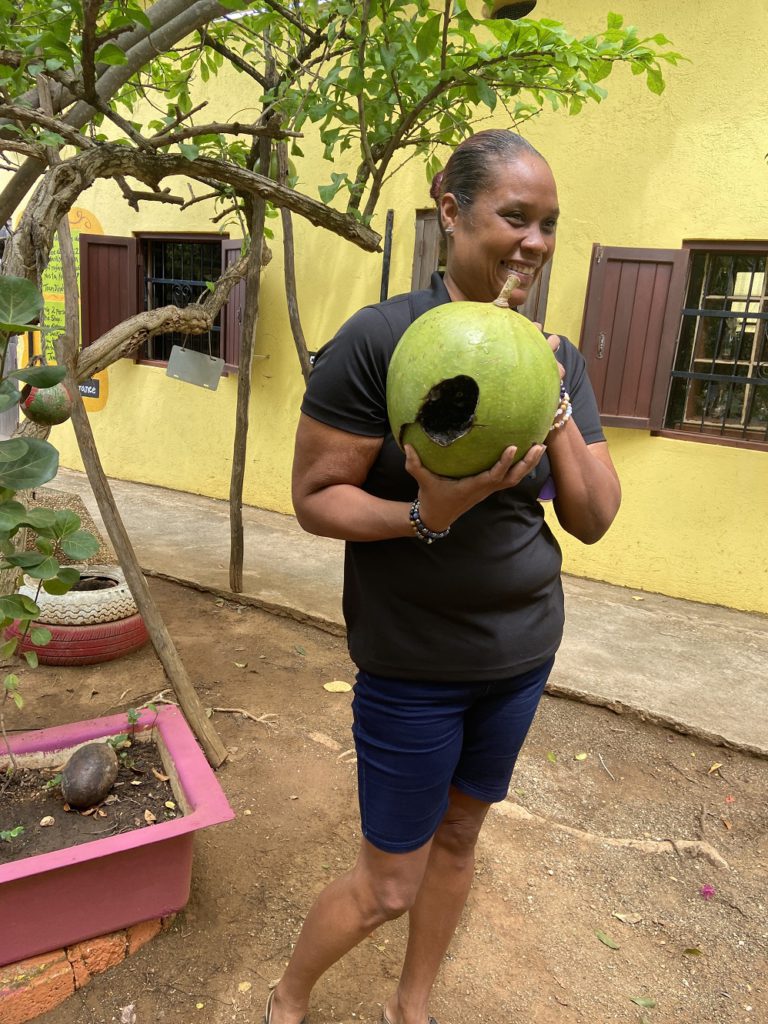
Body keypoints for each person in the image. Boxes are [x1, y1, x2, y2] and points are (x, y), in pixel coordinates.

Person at [267, 129, 621, 1024]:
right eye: (516, 217)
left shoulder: (556, 357)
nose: (535, 243)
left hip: (520, 653)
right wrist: (427, 515)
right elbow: (316, 497)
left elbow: (594, 517)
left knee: (460, 837)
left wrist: (553, 397)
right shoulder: (385, 339)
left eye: (548, 225)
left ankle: (410, 1008)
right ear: (451, 210)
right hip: (413, 664)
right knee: (389, 882)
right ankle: (287, 996)